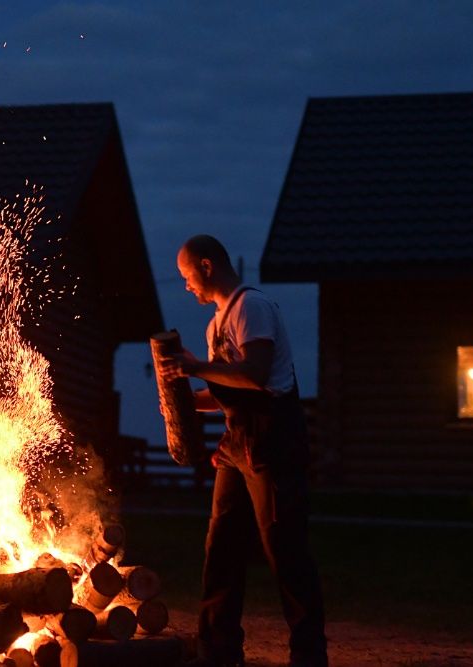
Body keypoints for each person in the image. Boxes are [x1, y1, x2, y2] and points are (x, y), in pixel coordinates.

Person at [161, 235, 327, 667]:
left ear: (206, 265)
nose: (186, 286)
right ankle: (218, 648)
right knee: (221, 547)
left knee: (285, 549)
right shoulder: (215, 325)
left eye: (186, 276)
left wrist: (196, 366)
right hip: (238, 448)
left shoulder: (251, 307)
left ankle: (309, 654)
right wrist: (182, 398)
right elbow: (226, 389)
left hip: (273, 444)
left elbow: (254, 374)